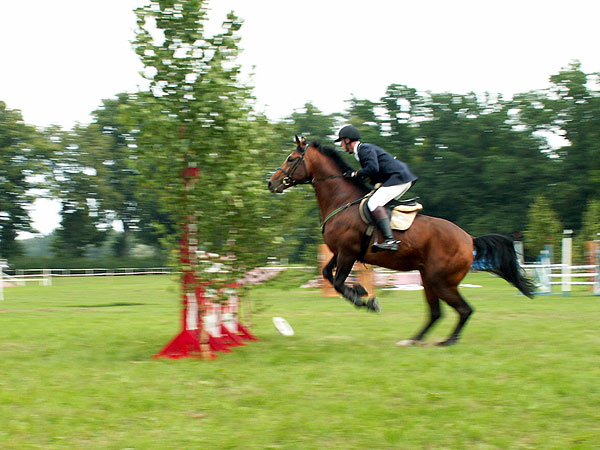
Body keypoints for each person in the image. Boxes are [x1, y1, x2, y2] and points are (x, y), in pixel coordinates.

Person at [335, 125, 418, 252]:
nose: (341, 145)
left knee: (374, 203)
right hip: (400, 177)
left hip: (399, 178)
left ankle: (390, 240)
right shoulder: (362, 151)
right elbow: (373, 172)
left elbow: (373, 169)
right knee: (379, 202)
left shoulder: (364, 149)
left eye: (341, 141)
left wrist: (355, 174)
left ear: (347, 140)